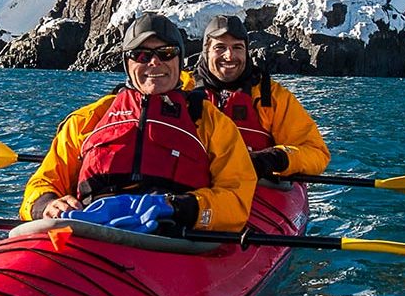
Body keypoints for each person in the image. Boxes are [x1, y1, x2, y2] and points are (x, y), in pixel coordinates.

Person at [19, 13, 256, 233]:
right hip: (90, 228)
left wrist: (178, 206)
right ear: (127, 62)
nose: (154, 62)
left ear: (180, 60)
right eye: (141, 55)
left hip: (175, 234)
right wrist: (46, 204)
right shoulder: (87, 120)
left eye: (166, 53)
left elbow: (236, 198)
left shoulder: (212, 123)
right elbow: (43, 182)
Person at [190, 14, 330, 181]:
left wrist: (274, 158)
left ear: (246, 52)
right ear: (206, 51)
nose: (229, 56)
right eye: (220, 47)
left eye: (237, 47)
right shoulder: (184, 90)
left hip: (258, 187)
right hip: (196, 187)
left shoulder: (272, 97)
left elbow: (316, 153)